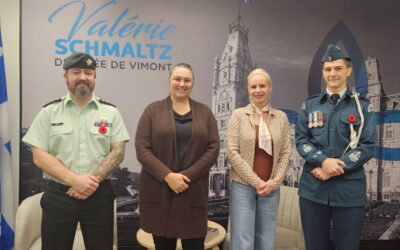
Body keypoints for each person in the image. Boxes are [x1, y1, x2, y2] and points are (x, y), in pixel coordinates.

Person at [22, 52, 130, 250]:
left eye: (88, 73)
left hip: (99, 196)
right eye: (76, 72)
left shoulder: (110, 112)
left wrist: (90, 182)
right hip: (59, 196)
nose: (83, 77)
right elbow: (39, 155)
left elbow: (118, 152)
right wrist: (75, 180)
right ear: (66, 76)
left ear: (95, 77)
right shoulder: (49, 112)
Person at [295, 44, 376, 250]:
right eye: (328, 69)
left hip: (348, 192)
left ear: (348, 71)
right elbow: (301, 141)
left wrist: (332, 169)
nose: (333, 73)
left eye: (338, 68)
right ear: (323, 72)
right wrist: (323, 161)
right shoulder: (309, 105)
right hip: (313, 191)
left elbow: (367, 145)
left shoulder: (362, 106)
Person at [135, 63, 220, 250]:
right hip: (161, 191)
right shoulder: (152, 111)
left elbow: (213, 148)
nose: (182, 83)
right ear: (169, 80)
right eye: (177, 79)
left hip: (192, 191)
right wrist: (168, 176)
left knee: (195, 245)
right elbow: (142, 149)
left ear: (193, 83)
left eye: (187, 80)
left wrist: (187, 176)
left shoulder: (205, 113)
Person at [227, 68, 291, 250]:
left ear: (270, 87)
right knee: (243, 240)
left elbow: (286, 151)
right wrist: (256, 182)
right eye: (253, 86)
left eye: (262, 86)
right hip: (242, 187)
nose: (258, 90)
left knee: (266, 239)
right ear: (248, 89)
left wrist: (274, 181)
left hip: (271, 188)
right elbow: (232, 152)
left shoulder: (281, 117)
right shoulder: (238, 115)